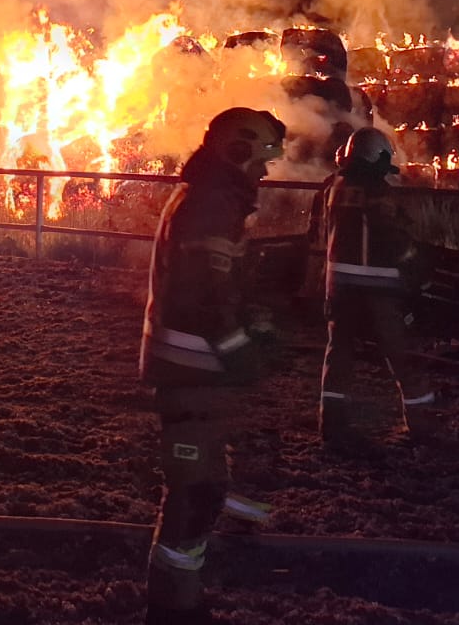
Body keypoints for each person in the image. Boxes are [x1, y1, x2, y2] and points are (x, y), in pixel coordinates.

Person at [139, 107, 287, 625]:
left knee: (203, 483)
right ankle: (173, 608)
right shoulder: (210, 204)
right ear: (237, 151)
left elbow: (219, 284)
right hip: (189, 368)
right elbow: (204, 290)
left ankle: (183, 595)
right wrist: (240, 347)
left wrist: (254, 317)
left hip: (195, 366)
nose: (266, 172)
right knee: (192, 496)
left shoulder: (213, 197)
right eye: (262, 159)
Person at [315, 126, 438, 450]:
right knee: (402, 355)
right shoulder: (378, 192)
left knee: (338, 354)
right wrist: (418, 273)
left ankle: (332, 424)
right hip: (380, 289)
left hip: (339, 286)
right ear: (377, 157)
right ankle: (422, 426)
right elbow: (394, 238)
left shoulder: (334, 187)